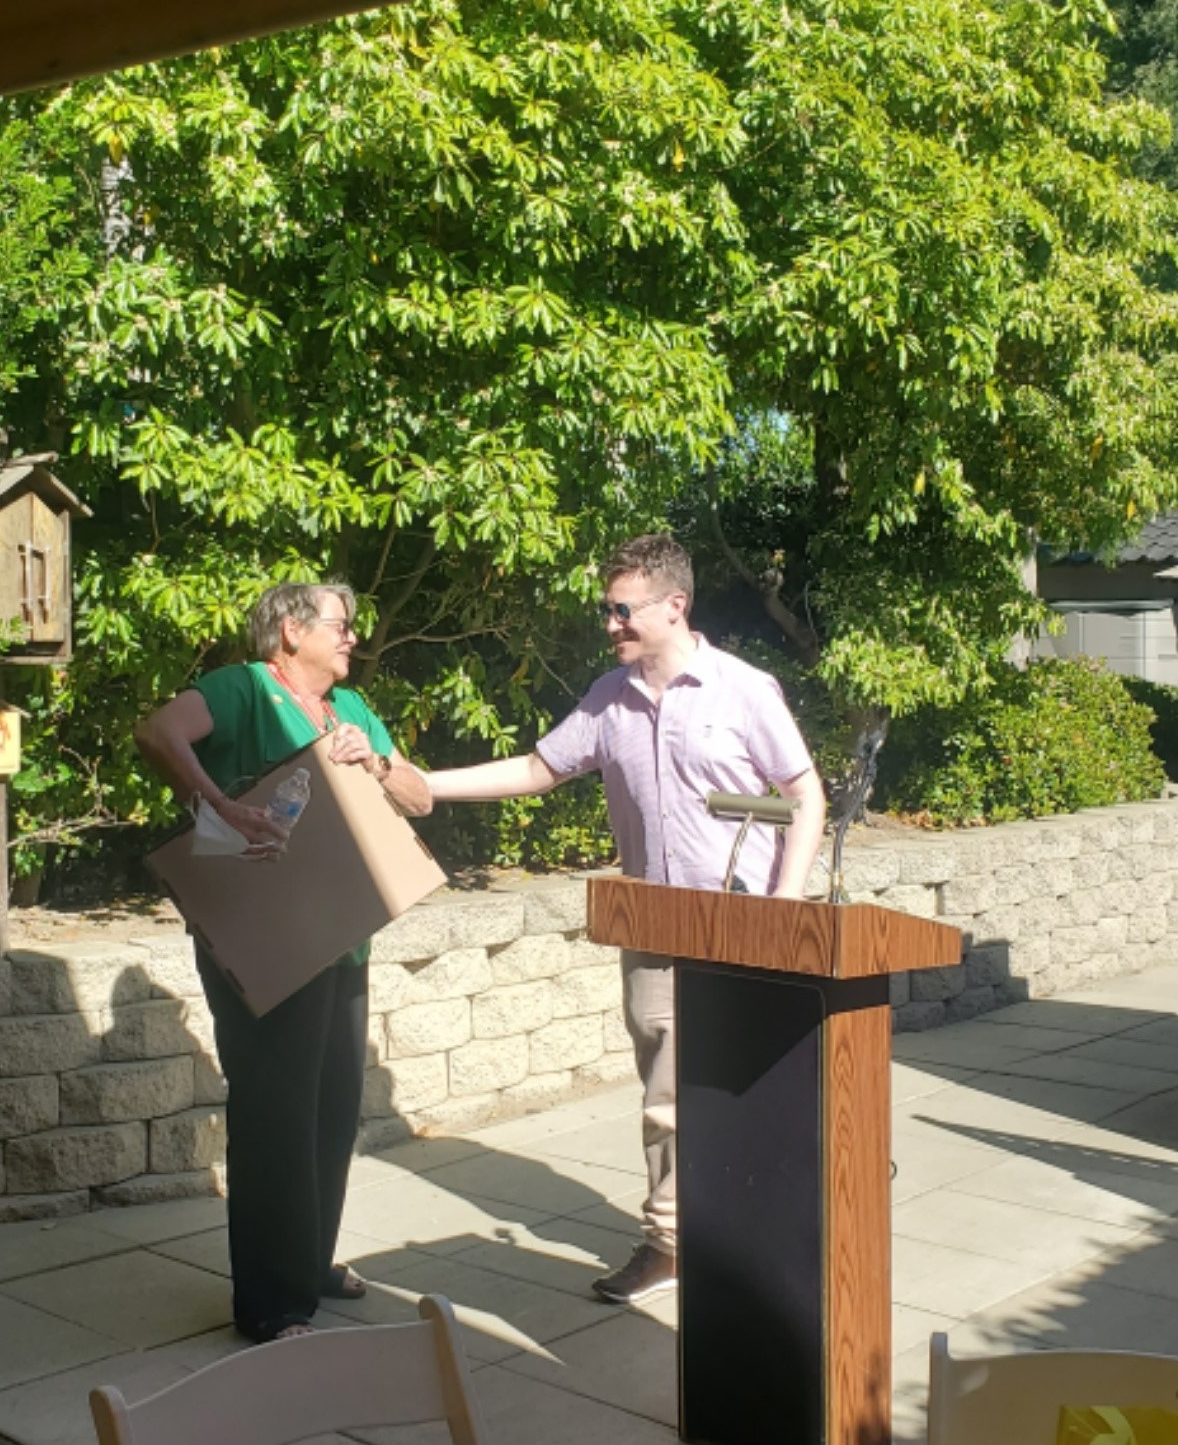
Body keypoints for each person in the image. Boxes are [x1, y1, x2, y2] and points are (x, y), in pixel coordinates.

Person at [422, 534, 824, 1305]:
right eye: (606, 609)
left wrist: (785, 906)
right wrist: (428, 785)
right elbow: (539, 770)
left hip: (743, 927)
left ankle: (749, 1234)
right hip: (651, 926)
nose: (609, 623)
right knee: (667, 1096)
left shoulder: (744, 690)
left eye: (621, 609)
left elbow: (803, 793)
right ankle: (671, 1244)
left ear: (675, 606)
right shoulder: (608, 698)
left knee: (750, 1086)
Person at [134, 581, 432, 1342]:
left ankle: (309, 1263)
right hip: (262, 938)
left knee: (331, 1110)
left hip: (342, 937)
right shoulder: (241, 689)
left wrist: (376, 765)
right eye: (339, 625)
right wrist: (216, 806)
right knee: (274, 1112)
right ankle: (269, 1301)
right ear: (289, 631)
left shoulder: (352, 710)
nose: (352, 638)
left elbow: (419, 797)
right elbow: (159, 733)